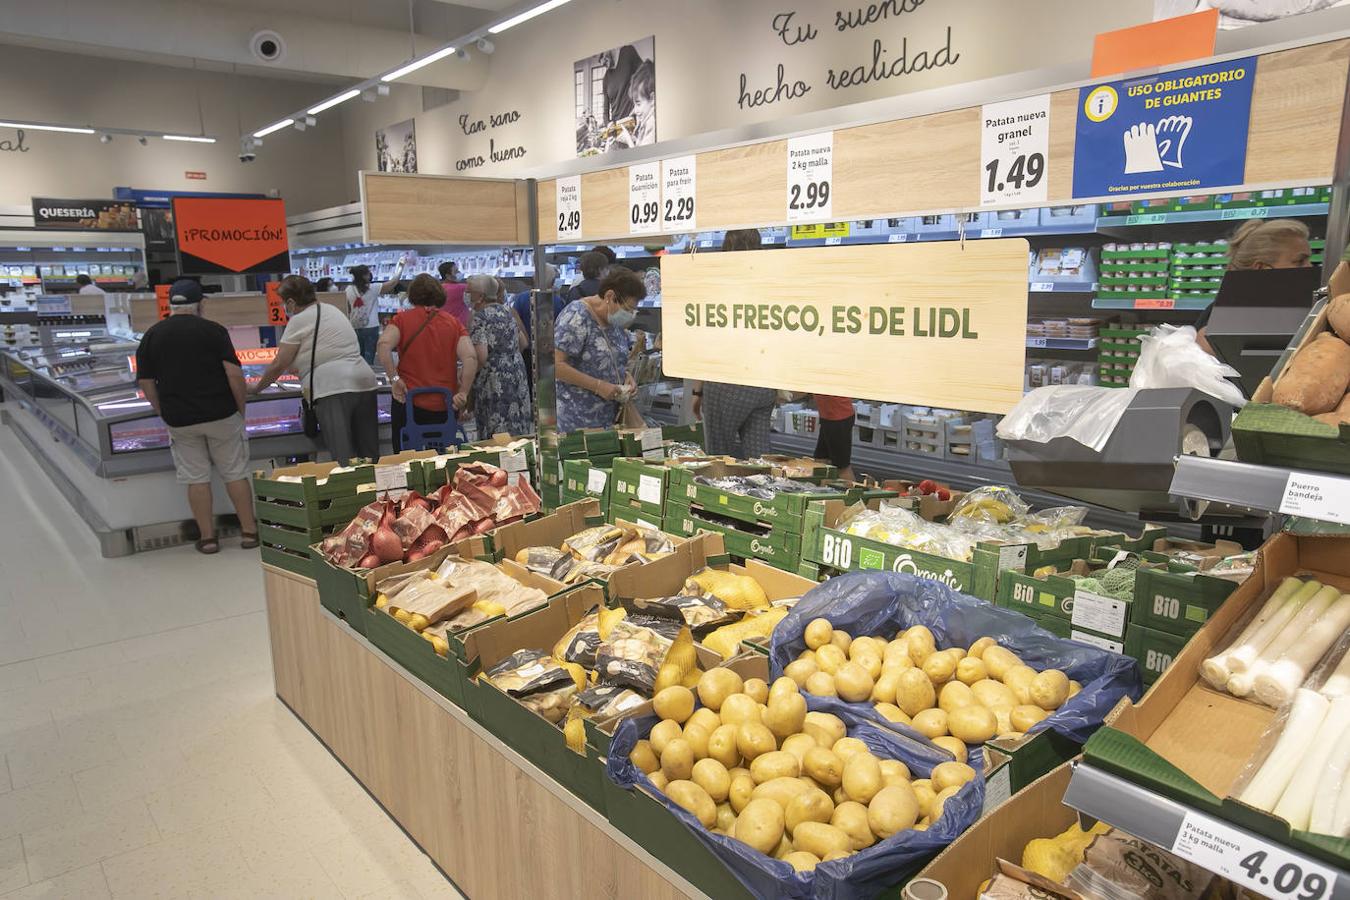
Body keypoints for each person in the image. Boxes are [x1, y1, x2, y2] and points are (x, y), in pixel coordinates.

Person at [134, 278, 257, 554]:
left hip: (181, 420)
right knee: (235, 473)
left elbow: (146, 381)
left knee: (196, 478)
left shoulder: (153, 334)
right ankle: (249, 532)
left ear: (170, 304)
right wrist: (241, 409)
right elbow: (234, 374)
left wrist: (163, 410)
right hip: (221, 414)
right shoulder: (213, 331)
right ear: (200, 303)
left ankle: (208, 538)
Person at [251, 275, 379, 464]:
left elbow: (280, 363)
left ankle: (352, 491)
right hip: (364, 382)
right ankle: (377, 491)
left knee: (344, 456)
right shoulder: (332, 310)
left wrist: (257, 388)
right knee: (369, 454)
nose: (284, 308)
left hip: (332, 388)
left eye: (283, 303)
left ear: (292, 302)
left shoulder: (299, 320)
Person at [698, 229, 778, 459]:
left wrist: (697, 389)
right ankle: (764, 493)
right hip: (764, 383)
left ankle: (720, 495)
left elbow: (706, 337)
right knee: (760, 458)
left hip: (727, 380)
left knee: (718, 455)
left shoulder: (720, 284)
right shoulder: (770, 282)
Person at [376, 273, 477, 452]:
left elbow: (383, 345)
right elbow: (470, 357)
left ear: (412, 295)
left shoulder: (401, 320)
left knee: (406, 457)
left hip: (408, 401)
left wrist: (394, 379)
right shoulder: (453, 323)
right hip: (445, 404)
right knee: (443, 457)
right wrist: (463, 392)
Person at [1196, 219, 1312, 354]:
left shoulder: (1302, 314)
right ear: (1262, 269)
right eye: (1300, 261)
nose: (1309, 267)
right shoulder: (1216, 325)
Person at [554, 267, 645, 433]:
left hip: (611, 419)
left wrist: (625, 377)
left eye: (633, 311)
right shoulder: (576, 316)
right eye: (627, 309)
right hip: (578, 419)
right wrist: (597, 386)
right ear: (610, 296)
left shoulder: (613, 323)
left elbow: (612, 357)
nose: (630, 315)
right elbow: (556, 365)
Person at [466, 274, 532, 437]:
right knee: (517, 430)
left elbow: (481, 356)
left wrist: (466, 376)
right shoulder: (507, 312)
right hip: (516, 374)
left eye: (470, 292)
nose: (467, 294)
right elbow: (523, 343)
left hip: (494, 380)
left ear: (480, 296)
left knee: (496, 431)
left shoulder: (479, 318)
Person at [347, 258, 405, 364]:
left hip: (354, 326)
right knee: (369, 356)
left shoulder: (348, 289)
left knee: (358, 355)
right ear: (365, 275)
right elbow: (393, 282)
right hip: (371, 327)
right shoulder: (373, 288)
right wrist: (401, 267)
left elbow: (348, 309)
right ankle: (369, 376)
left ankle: (359, 376)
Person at [814, 395, 856, 483]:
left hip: (838, 419)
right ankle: (821, 492)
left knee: (842, 467)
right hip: (828, 417)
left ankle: (854, 496)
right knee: (820, 461)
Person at [614, 61, 656, 148]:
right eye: (634, 105)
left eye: (638, 104)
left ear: (652, 99)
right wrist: (632, 139)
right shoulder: (646, 120)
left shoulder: (652, 122)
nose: (635, 111)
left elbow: (643, 157)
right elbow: (643, 144)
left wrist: (628, 140)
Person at [602, 45, 642, 126]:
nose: (602, 63)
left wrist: (639, 105)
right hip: (617, 126)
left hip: (633, 121)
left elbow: (645, 76)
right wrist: (607, 123)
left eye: (601, 56)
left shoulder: (627, 52)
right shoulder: (606, 78)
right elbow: (605, 109)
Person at [438, 260, 472, 329]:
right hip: (459, 327)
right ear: (448, 276)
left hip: (444, 325)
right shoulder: (461, 288)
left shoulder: (439, 288)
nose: (459, 273)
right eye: (456, 271)